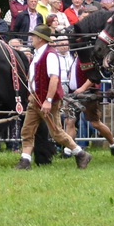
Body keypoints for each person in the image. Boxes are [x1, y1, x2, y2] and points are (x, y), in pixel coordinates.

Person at [17, 27, 90, 170]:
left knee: (56, 132)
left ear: (41, 38)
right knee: (27, 130)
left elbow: (54, 79)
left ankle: (81, 154)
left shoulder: (50, 55)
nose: (31, 38)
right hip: (35, 99)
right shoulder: (38, 53)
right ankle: (25, 161)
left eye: (34, 36)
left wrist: (48, 100)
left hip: (46, 100)